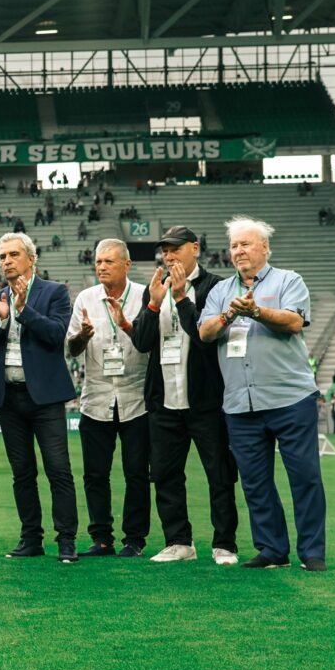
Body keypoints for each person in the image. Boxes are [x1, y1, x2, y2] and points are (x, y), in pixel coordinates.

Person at [200, 217, 328, 572]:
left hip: (290, 398)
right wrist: (229, 315)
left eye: (246, 244)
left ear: (265, 247)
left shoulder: (289, 280)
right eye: (234, 245)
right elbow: (206, 333)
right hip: (241, 403)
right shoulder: (220, 292)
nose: (239, 251)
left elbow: (294, 322)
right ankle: (272, 548)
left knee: (304, 476)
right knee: (256, 483)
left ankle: (312, 551)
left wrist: (257, 311)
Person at [128, 226, 240, 565]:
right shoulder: (157, 287)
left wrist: (180, 299)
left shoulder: (217, 286)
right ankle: (179, 541)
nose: (168, 255)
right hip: (164, 400)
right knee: (164, 473)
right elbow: (142, 342)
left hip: (206, 400)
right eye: (164, 250)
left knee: (219, 473)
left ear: (195, 248)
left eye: (175, 248)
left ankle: (224, 544)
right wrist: (152, 304)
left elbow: (206, 336)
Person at [0, 232, 79, 562]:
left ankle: (66, 540)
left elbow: (55, 335)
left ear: (31, 259)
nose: (6, 261)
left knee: (58, 470)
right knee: (22, 473)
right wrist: (3, 318)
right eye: (2, 256)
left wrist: (23, 311)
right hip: (10, 398)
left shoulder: (54, 292)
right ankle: (31, 538)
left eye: (13, 255)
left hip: (45, 399)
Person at [66, 239, 149, 558]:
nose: (101, 266)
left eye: (109, 262)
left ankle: (135, 539)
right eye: (98, 261)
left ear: (126, 265)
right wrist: (82, 336)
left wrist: (125, 326)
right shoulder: (86, 298)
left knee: (137, 473)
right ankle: (101, 538)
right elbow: (70, 350)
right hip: (96, 399)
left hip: (136, 398)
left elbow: (148, 343)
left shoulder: (144, 296)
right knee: (95, 474)